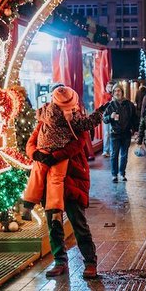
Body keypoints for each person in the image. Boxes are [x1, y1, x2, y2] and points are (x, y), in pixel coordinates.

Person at [22, 86, 104, 226]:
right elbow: (81, 138)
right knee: (56, 180)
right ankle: (56, 213)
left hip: (47, 154)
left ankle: (28, 206)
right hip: (63, 162)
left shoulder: (46, 113)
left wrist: (37, 154)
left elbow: (32, 140)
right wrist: (99, 113)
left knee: (36, 176)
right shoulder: (73, 117)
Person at [27, 127, 101, 280]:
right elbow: (31, 143)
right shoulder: (45, 122)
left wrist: (55, 156)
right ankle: (60, 261)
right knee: (54, 224)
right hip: (50, 182)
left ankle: (90, 261)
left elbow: (78, 144)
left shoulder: (75, 122)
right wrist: (36, 154)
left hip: (72, 180)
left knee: (79, 224)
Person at [103, 85, 138, 182]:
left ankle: (122, 173)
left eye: (119, 91)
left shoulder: (129, 104)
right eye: (115, 91)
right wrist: (110, 117)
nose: (117, 93)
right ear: (113, 93)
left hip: (126, 134)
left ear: (122, 92)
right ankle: (114, 175)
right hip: (115, 134)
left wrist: (136, 130)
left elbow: (134, 118)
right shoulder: (110, 105)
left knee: (124, 155)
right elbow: (104, 119)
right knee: (114, 155)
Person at [102, 81, 115, 158]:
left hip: (113, 115)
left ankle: (111, 150)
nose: (109, 88)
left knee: (111, 132)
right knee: (106, 133)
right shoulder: (104, 95)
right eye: (108, 86)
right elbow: (103, 105)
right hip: (106, 116)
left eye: (111, 87)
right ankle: (105, 150)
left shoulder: (114, 95)